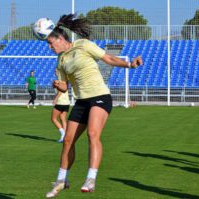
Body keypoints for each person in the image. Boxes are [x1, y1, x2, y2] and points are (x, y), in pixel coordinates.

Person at [44, 14, 143, 198]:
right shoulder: (61, 62)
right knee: (67, 141)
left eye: (51, 43)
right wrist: (59, 85)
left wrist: (129, 64)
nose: (49, 47)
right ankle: (61, 180)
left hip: (100, 97)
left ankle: (91, 178)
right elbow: (65, 87)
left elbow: (108, 59)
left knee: (92, 134)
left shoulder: (83, 45)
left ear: (60, 38)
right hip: (81, 102)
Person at [51, 68, 70, 143]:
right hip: (66, 102)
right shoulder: (65, 79)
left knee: (53, 119)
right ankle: (64, 136)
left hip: (60, 102)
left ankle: (63, 134)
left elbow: (60, 91)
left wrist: (55, 99)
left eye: (56, 71)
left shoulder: (59, 80)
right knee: (62, 118)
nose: (55, 72)